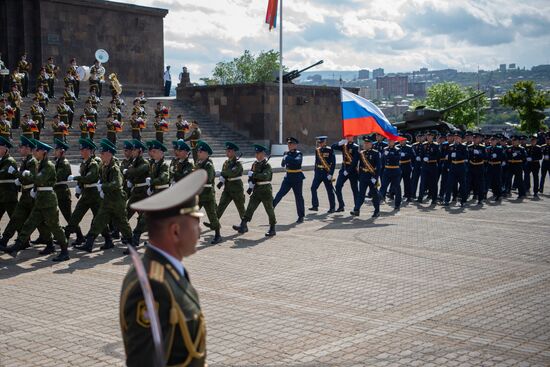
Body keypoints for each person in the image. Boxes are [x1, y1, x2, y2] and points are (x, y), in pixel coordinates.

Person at [119, 170, 207, 367]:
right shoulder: (152, 285)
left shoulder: (168, 270)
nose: (200, 230)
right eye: (196, 222)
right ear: (175, 231)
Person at [7, 140, 69, 261]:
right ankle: (17, 246)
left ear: (44, 152)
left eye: (37, 150)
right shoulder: (40, 164)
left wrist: (24, 175)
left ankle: (64, 250)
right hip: (40, 199)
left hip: (49, 201)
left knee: (54, 226)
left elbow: (39, 179)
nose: (35, 152)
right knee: (29, 223)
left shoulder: (49, 166)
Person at [78, 139, 133, 252]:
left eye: (103, 153)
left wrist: (103, 187)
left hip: (117, 200)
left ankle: (131, 245)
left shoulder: (114, 168)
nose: (101, 155)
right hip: (107, 200)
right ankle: (89, 244)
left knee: (122, 223)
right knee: (98, 220)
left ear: (109, 154)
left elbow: (117, 183)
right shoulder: (104, 167)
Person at [233, 144, 276, 237]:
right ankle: (243, 225)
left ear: (263, 154)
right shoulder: (255, 164)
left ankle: (272, 228)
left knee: (269, 209)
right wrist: (250, 182)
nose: (257, 155)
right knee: (250, 208)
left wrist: (254, 175)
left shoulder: (267, 165)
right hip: (256, 190)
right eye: (256, 153)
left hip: (265, 190)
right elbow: (251, 176)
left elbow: (266, 176)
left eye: (259, 153)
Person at [64, 138, 101, 246]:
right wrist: (79, 188)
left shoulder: (94, 163)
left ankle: (108, 239)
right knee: (76, 216)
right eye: (81, 149)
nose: (81, 151)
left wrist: (76, 178)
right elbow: (83, 178)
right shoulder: (84, 164)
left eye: (83, 149)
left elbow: (89, 178)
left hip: (94, 194)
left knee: (99, 218)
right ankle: (65, 238)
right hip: (86, 194)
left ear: (89, 151)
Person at [123, 139, 150, 251]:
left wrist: (127, 172)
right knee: (127, 212)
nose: (132, 151)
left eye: (134, 150)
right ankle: (127, 235)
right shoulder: (134, 162)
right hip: (136, 192)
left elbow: (135, 172)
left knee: (143, 219)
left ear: (140, 151)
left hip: (144, 193)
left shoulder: (144, 163)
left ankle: (134, 240)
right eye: (132, 149)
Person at [194, 141, 222, 244]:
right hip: (199, 194)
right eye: (198, 151)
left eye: (200, 151)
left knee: (212, 215)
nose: (198, 153)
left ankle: (218, 235)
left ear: (206, 153)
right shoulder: (198, 163)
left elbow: (208, 178)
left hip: (207, 194)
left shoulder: (209, 165)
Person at [273, 137, 305, 222]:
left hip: (297, 178)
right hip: (288, 177)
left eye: (291, 144)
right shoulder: (286, 153)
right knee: (280, 193)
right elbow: (283, 165)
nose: (289, 145)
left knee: (298, 197)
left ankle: (301, 216)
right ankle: (271, 207)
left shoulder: (299, 153)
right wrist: (284, 158)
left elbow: (297, 162)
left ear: (295, 145)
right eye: (288, 144)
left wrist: (287, 157)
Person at [215, 142, 245, 222]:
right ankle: (214, 222)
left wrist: (222, 173)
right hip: (227, 187)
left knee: (240, 207)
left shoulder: (238, 164)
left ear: (234, 152)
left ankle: (244, 225)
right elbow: (225, 174)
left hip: (236, 188)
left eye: (229, 151)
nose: (227, 153)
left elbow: (231, 173)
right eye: (226, 151)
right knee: (221, 205)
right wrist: (222, 179)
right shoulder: (226, 163)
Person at [351, 136, 381, 218]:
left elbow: (378, 167)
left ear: (371, 144)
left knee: (374, 195)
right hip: (363, 176)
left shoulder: (376, 153)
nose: (366, 145)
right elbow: (355, 163)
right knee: (361, 194)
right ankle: (356, 210)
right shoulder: (361, 153)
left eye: (367, 143)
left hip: (372, 177)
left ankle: (377, 211)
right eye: (365, 143)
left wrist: (375, 178)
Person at [332, 134, 359, 212]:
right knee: (338, 186)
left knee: (354, 189)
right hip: (344, 168)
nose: (348, 138)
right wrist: (339, 143)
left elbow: (355, 161)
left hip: (352, 170)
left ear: (353, 137)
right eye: (347, 136)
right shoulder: (343, 145)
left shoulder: (355, 147)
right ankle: (341, 205)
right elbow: (333, 147)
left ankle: (356, 208)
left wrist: (348, 171)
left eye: (349, 136)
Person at [309, 136, 336, 213]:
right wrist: (315, 171)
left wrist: (331, 174)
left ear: (325, 142)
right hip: (318, 173)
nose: (320, 144)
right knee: (313, 188)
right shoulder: (317, 150)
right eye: (319, 143)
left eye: (321, 142)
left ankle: (332, 207)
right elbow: (316, 161)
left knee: (329, 190)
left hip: (326, 173)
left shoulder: (330, 150)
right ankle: (315, 206)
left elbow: (333, 163)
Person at [0, 136, 19, 244]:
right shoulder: (2, 160)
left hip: (9, 194)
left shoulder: (10, 161)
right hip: (2, 194)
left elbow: (3, 172)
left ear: (5, 149)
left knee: (15, 218)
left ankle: (23, 238)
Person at [417, 130, 440, 205]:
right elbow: (421, 154)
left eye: (430, 136)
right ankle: (420, 198)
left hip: (433, 166)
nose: (429, 137)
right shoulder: (423, 145)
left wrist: (430, 158)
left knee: (433, 183)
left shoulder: (436, 145)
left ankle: (434, 199)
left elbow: (438, 156)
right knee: (422, 182)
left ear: (433, 137)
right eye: (428, 136)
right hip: (425, 166)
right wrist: (421, 158)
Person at [379, 138, 402, 210]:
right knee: (383, 186)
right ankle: (379, 199)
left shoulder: (397, 149)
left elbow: (397, 158)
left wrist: (389, 154)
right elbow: (382, 160)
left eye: (391, 141)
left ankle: (397, 204)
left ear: (394, 142)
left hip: (395, 170)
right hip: (387, 170)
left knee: (397, 187)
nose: (389, 142)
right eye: (388, 141)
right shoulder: (385, 149)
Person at [468, 133, 486, 205]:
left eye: (476, 138)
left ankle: (480, 199)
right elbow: (467, 156)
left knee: (480, 183)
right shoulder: (469, 147)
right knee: (469, 182)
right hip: (471, 166)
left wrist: (479, 154)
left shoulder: (482, 147)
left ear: (479, 139)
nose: (475, 139)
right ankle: (465, 198)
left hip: (479, 166)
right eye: (474, 138)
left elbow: (485, 157)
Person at [485, 135, 506, 201]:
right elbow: (486, 157)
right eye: (491, 140)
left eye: (494, 140)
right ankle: (485, 194)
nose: (492, 142)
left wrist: (497, 157)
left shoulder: (499, 148)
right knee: (488, 180)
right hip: (490, 165)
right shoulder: (488, 148)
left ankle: (499, 194)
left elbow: (503, 157)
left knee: (498, 181)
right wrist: (489, 157)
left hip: (497, 166)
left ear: (496, 141)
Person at [398, 134, 415, 201]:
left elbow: (413, 156)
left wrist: (406, 155)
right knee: (397, 181)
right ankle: (394, 194)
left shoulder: (409, 147)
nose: (401, 141)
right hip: (398, 166)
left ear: (405, 140)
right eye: (400, 140)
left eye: (403, 140)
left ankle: (408, 196)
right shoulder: (397, 147)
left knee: (407, 182)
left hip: (406, 165)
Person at [411, 132, 424, 199]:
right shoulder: (414, 145)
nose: (419, 138)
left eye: (420, 137)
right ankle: (413, 194)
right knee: (414, 180)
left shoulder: (425, 145)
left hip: (423, 165)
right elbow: (412, 156)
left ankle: (422, 194)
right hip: (416, 165)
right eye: (417, 137)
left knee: (423, 181)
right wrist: (412, 165)